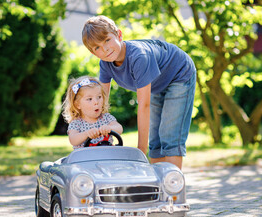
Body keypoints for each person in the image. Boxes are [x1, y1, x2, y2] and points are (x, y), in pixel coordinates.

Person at [82, 15, 196, 169]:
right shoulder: (105, 64)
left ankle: (172, 190)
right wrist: (89, 127)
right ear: (94, 53)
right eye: (97, 47)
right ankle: (158, 188)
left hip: (178, 74)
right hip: (157, 83)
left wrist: (140, 152)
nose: (105, 49)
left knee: (169, 136)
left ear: (119, 35)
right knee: (155, 141)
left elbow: (144, 106)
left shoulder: (139, 57)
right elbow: (101, 102)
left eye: (107, 40)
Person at [63, 76, 123, 149]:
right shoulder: (76, 123)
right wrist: (86, 134)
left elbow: (119, 128)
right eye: (89, 99)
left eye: (99, 97)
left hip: (106, 156)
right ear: (78, 104)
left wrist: (109, 128)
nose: (96, 102)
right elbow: (73, 140)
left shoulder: (106, 118)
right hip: (85, 159)